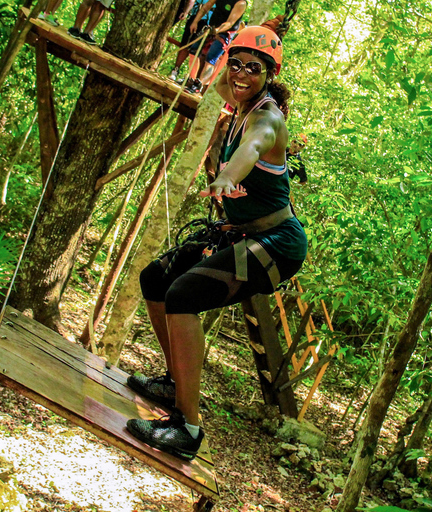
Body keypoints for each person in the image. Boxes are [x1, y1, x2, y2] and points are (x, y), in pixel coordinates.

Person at [125, 25, 307, 460]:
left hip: (278, 243)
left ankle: (187, 429)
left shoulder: (267, 119)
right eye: (237, 64)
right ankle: (174, 383)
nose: (242, 74)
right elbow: (225, 79)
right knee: (156, 278)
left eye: (255, 68)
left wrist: (228, 175)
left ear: (270, 75)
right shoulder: (236, 100)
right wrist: (240, 46)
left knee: (183, 295)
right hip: (243, 234)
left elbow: (253, 148)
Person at [184, 0, 247, 93]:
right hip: (210, 28)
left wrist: (216, 30)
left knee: (211, 59)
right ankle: (192, 80)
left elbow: (230, 22)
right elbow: (206, 7)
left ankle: (198, 85)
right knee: (193, 51)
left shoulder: (241, 3)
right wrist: (195, 21)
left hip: (225, 33)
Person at [169, 0, 214, 83]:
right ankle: (176, 70)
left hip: (209, 22)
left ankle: (191, 77)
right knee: (185, 44)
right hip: (196, 16)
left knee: (198, 51)